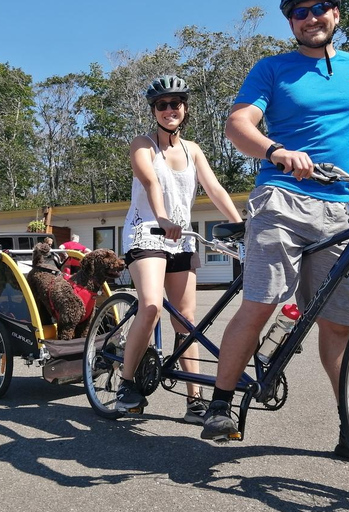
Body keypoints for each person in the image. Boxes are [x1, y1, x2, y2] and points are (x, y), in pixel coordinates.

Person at [200, 0, 349, 468]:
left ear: (337, 14)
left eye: (320, 7)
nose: (311, 18)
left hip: (337, 206)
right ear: (291, 22)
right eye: (299, 11)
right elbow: (238, 124)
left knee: (339, 322)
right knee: (263, 301)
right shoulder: (273, 69)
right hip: (281, 198)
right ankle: (221, 403)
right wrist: (276, 150)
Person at [118, 75, 243, 424]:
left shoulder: (193, 150)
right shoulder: (142, 144)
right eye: (162, 105)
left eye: (176, 104)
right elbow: (150, 181)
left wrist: (239, 225)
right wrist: (160, 216)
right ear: (154, 111)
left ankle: (195, 400)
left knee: (186, 321)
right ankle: (126, 385)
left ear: (185, 109)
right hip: (147, 233)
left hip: (182, 238)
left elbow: (214, 188)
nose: (170, 110)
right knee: (152, 306)